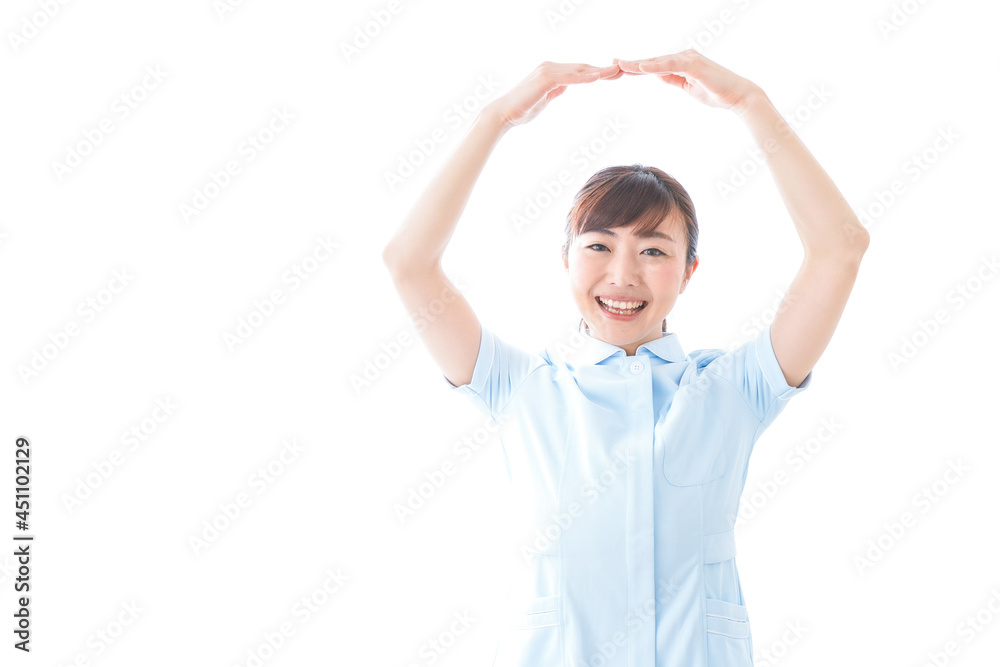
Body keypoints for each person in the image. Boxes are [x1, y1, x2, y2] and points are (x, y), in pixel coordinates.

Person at [383, 50, 869, 667]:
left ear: (689, 271)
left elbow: (840, 250)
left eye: (654, 251)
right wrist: (495, 118)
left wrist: (753, 104)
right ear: (566, 260)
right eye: (598, 245)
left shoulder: (734, 389)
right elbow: (409, 264)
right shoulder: (523, 388)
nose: (622, 275)